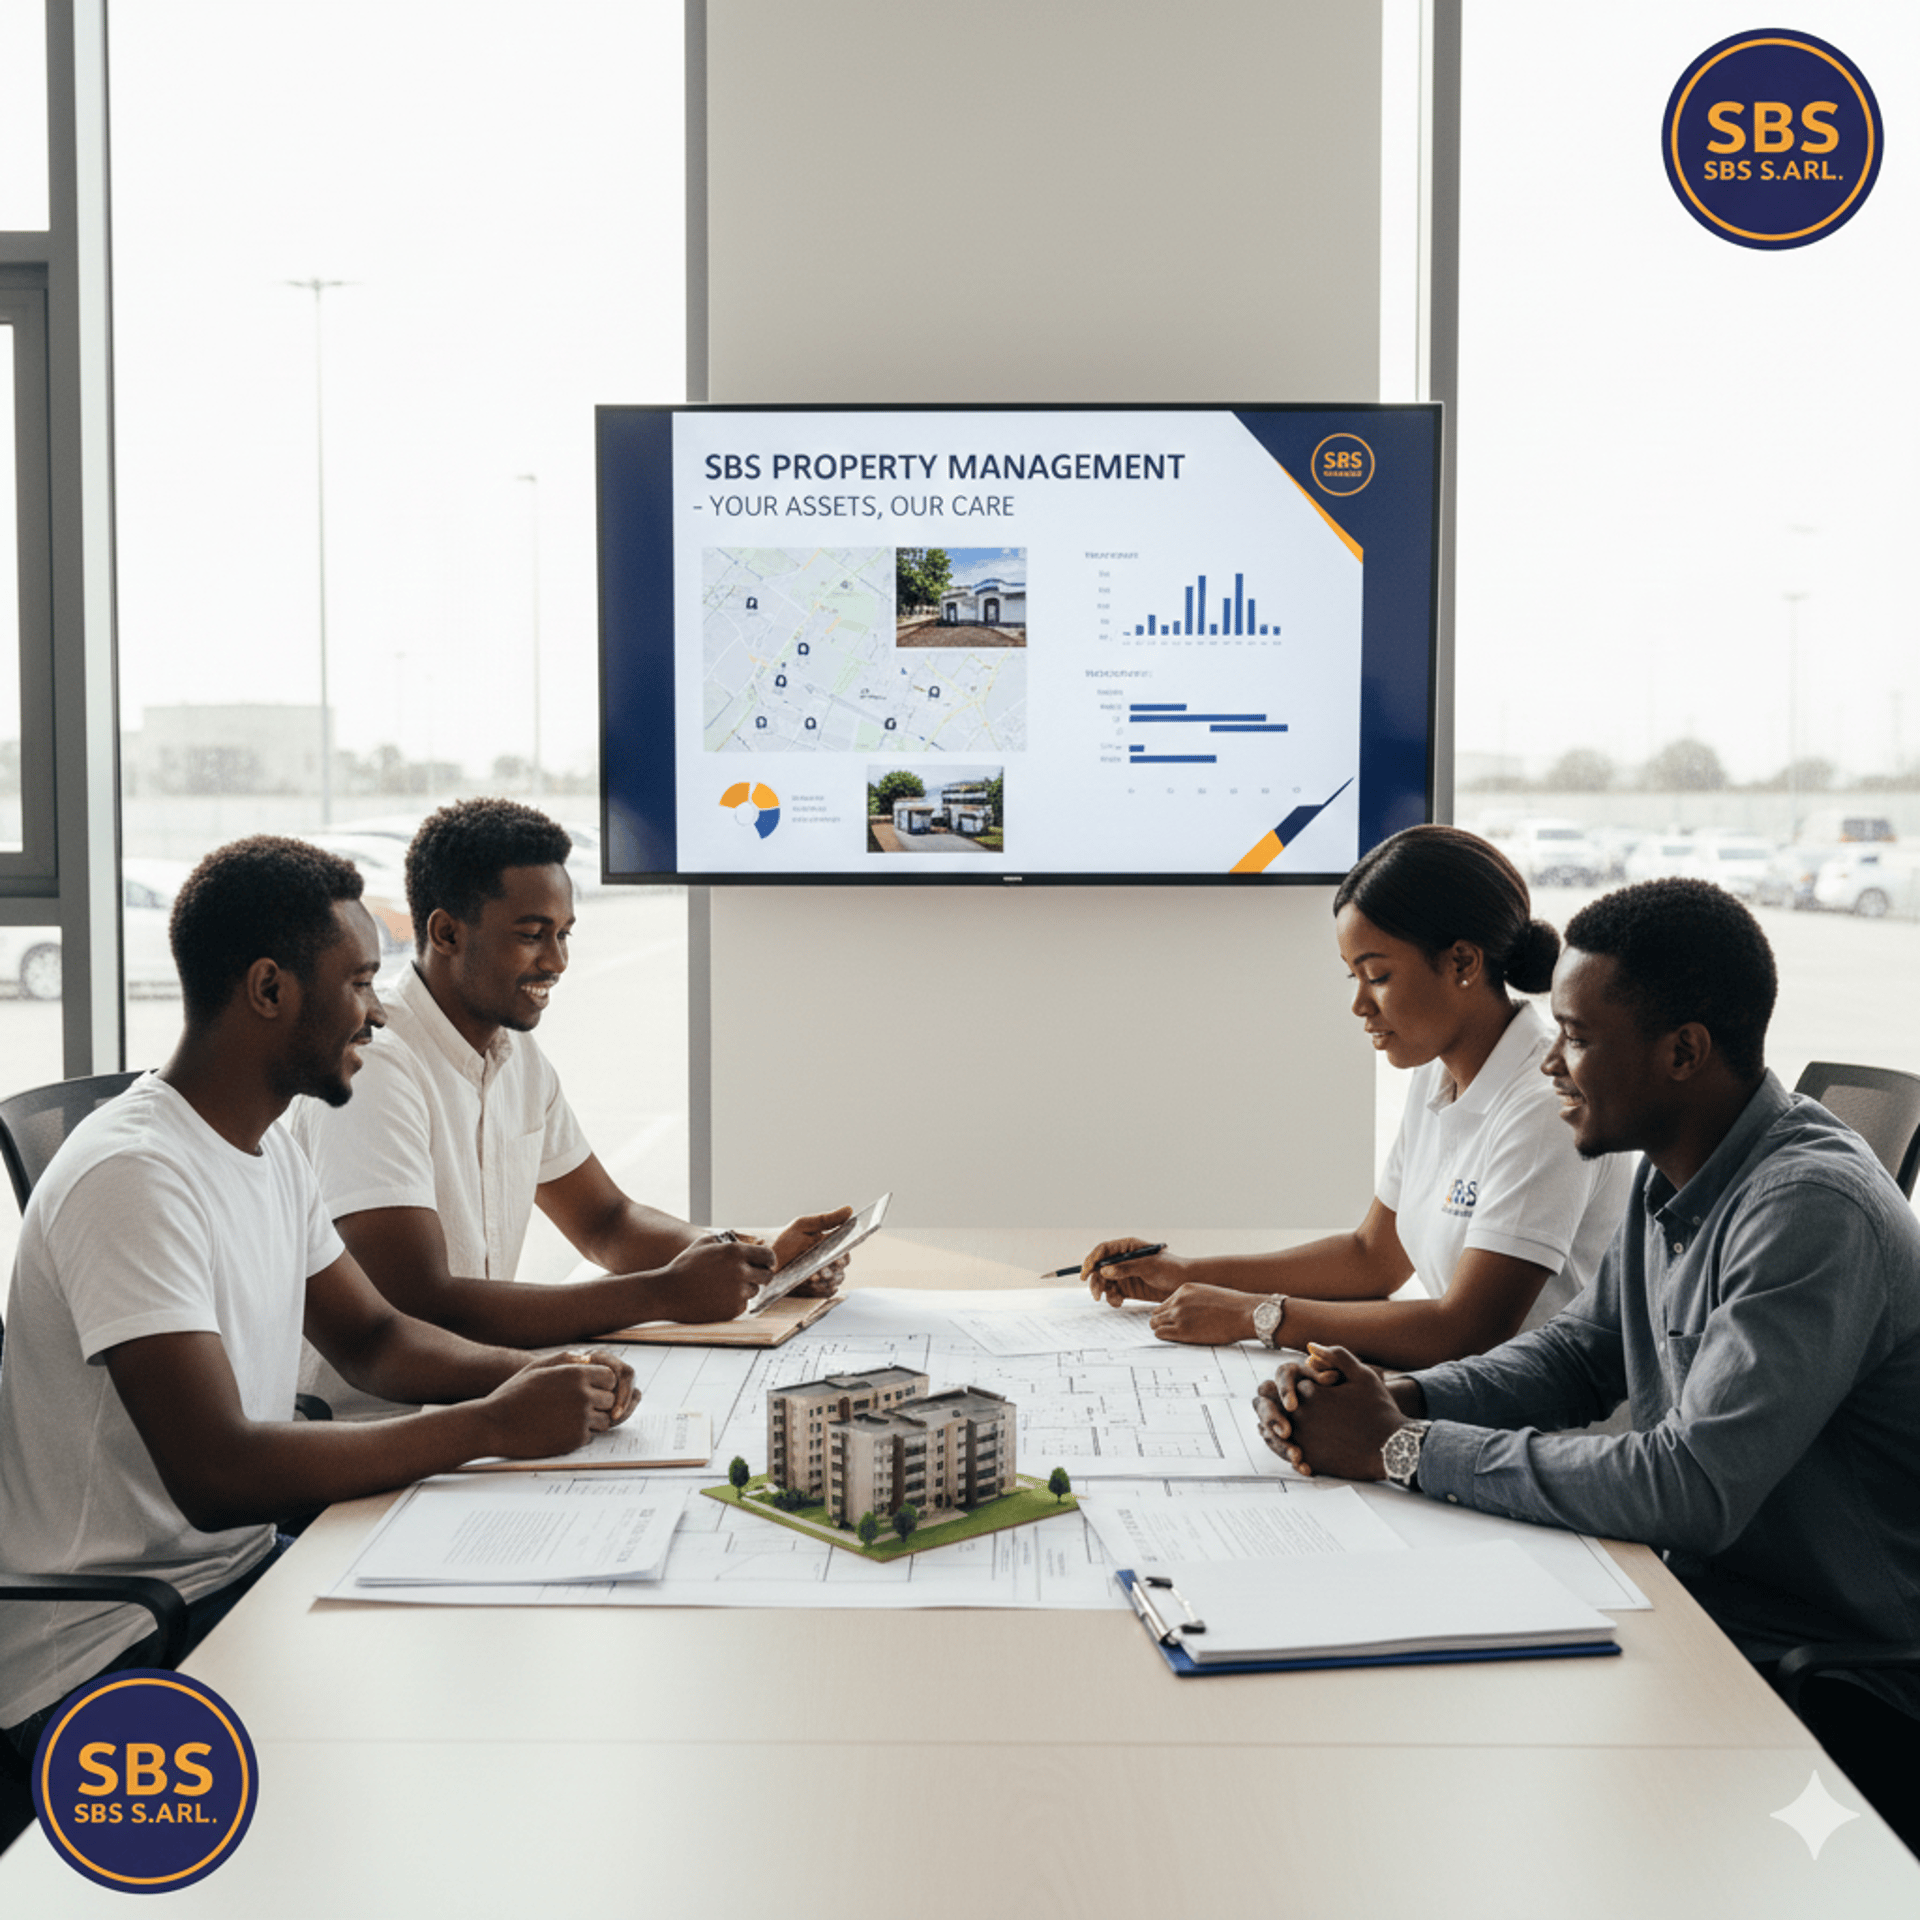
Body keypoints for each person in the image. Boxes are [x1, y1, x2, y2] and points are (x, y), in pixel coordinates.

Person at [1255, 878, 1920, 1853]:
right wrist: (1401, 1397)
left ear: (1682, 1052)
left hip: (1826, 1672)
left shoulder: (1808, 1210)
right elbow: (1579, 1353)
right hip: (1703, 1603)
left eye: (1574, 1035)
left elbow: (1691, 1486)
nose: (1552, 1063)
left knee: (1442, 1796)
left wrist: (1403, 1450)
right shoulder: (1676, 1164)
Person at [0, 837, 636, 1753]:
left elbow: (373, 1338)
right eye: (360, 984)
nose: (377, 1016)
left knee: (508, 1669)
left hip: (238, 1579)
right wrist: (493, 1426)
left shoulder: (269, 1148)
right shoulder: (132, 1175)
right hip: (114, 1651)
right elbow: (217, 1474)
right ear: (269, 990)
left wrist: (540, 1375)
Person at [289, 799, 848, 1417]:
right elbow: (420, 1302)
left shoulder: (514, 1055)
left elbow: (606, 1221)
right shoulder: (376, 1066)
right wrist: (664, 1293)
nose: (556, 962)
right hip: (373, 1433)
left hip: (479, 1404)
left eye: (563, 934)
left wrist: (750, 1256)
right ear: (447, 933)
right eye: (531, 936)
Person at [1079, 826, 1633, 1368]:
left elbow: (1465, 1329)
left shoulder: (1544, 1101)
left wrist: (1257, 1317)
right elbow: (1373, 1259)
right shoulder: (1438, 1074)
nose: (1360, 1005)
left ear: (1463, 962)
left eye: (1379, 975)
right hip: (1472, 1402)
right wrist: (1185, 1273)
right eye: (1354, 978)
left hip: (1555, 1437)